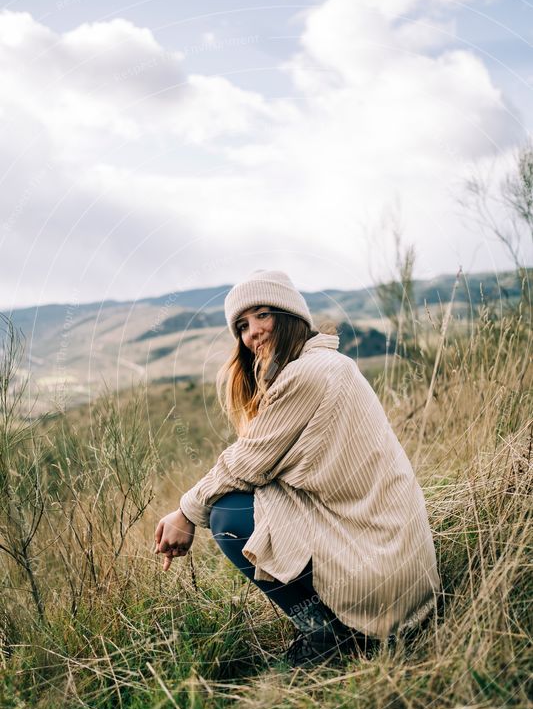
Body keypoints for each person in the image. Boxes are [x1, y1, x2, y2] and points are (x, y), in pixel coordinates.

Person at [154, 269, 441, 668]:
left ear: (290, 315)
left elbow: (245, 463)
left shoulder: (307, 373)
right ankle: (333, 627)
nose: (252, 332)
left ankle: (330, 638)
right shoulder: (323, 363)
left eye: (262, 315)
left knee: (228, 513)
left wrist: (186, 512)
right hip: (400, 566)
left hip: (382, 576)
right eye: (242, 325)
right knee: (260, 496)